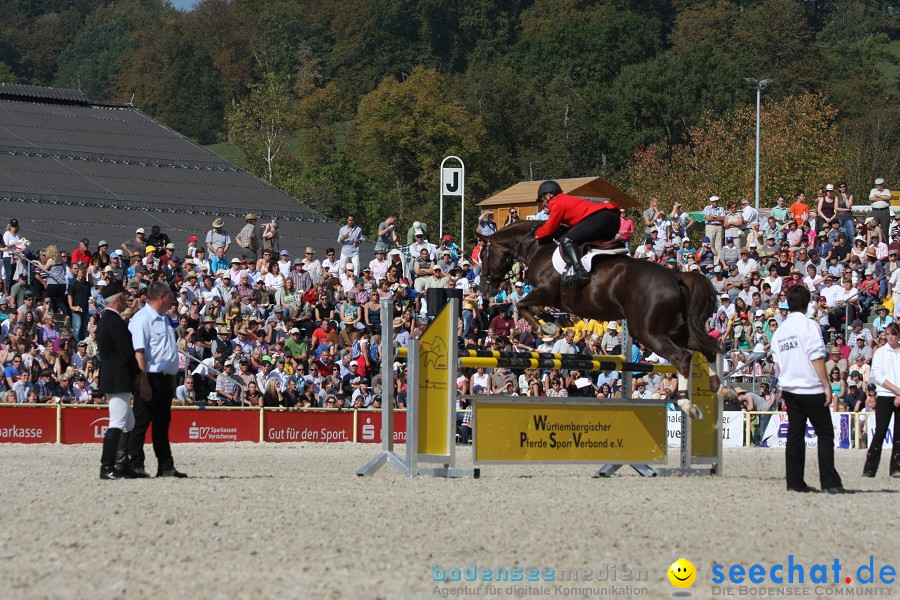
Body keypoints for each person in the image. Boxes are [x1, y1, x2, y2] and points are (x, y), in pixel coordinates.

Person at [770, 284, 845, 493]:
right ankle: (830, 482)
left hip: (790, 388)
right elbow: (816, 356)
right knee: (825, 433)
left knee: (795, 434)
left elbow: (777, 363)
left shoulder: (780, 331)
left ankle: (794, 482)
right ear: (806, 303)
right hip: (810, 387)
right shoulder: (808, 325)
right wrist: (826, 385)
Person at [128, 281, 186, 478]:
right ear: (162, 296)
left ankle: (166, 466)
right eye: (170, 295)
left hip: (164, 377)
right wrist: (143, 382)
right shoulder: (142, 319)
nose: (173, 299)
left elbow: (168, 350)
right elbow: (139, 352)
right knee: (141, 422)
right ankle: (135, 464)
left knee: (162, 424)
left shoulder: (164, 319)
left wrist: (171, 376)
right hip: (148, 377)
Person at [96, 280, 142, 479]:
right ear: (119, 299)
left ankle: (123, 466)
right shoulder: (114, 321)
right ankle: (107, 467)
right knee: (118, 421)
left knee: (128, 422)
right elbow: (127, 352)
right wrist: (138, 373)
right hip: (118, 378)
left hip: (116, 377)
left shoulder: (108, 319)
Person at [533, 180, 619, 286]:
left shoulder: (556, 202)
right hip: (613, 219)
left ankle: (580, 272)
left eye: (543, 200)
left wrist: (536, 233)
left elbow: (548, 229)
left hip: (600, 217)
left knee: (567, 240)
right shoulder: (566, 199)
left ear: (550, 194)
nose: (543, 204)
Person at [865, 321, 900, 478]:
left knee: (899, 434)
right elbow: (878, 376)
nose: (890, 336)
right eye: (888, 334)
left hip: (899, 395)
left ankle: (896, 468)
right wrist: (896, 391)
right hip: (886, 394)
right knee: (880, 431)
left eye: (893, 333)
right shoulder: (880, 352)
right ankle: (870, 468)